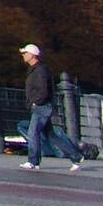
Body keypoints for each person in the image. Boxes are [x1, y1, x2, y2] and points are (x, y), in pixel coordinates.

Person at [19, 43, 83, 171]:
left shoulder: (40, 70)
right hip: (40, 106)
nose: (23, 56)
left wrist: (35, 102)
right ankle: (76, 157)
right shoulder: (35, 69)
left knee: (33, 132)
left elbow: (43, 90)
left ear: (32, 55)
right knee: (51, 135)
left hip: (41, 107)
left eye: (25, 53)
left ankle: (33, 161)